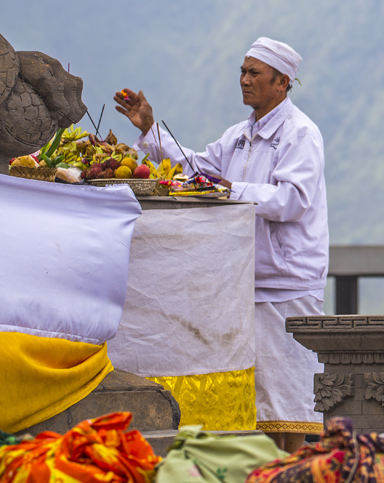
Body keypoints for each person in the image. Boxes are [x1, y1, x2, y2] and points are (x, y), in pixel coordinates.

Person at [114, 37, 328, 451]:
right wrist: (149, 128)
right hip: (241, 279)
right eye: (243, 72)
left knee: (285, 399)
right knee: (253, 399)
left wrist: (233, 190)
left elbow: (292, 201)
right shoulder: (239, 135)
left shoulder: (301, 133)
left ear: (282, 82)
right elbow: (197, 169)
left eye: (255, 74)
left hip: (286, 283)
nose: (245, 81)